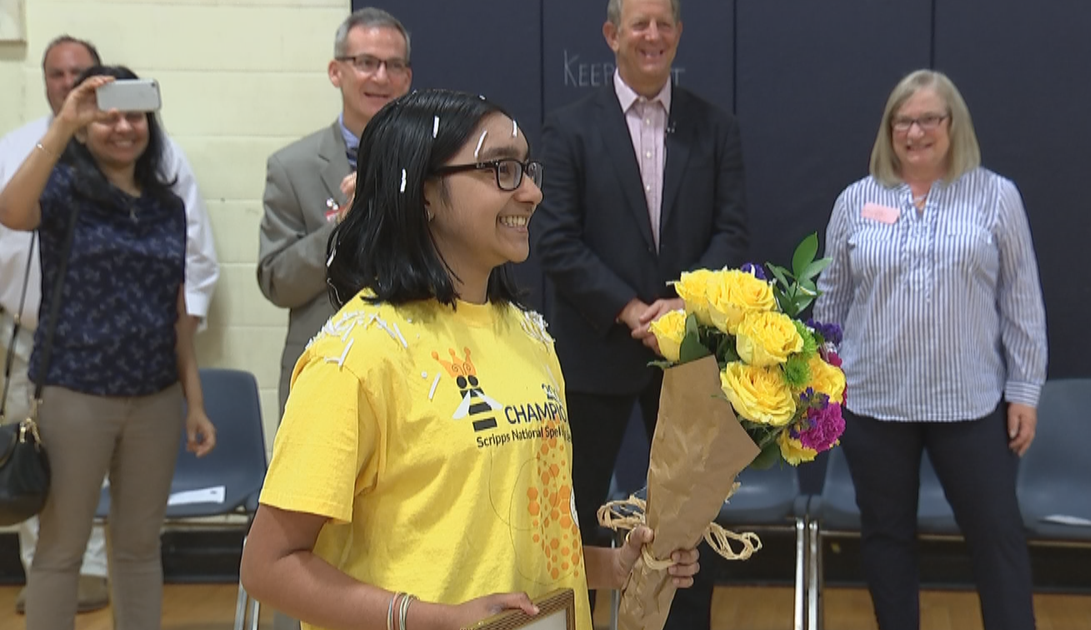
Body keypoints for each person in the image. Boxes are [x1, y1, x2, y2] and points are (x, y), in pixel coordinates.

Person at [240, 89, 700, 630]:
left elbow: (521, 534)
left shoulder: (529, 336)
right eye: (501, 169)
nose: (531, 192)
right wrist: (434, 619)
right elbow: (268, 565)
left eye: (527, 169)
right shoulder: (357, 355)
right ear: (424, 191)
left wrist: (613, 565)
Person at [535, 0, 749, 626]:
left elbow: (733, 233)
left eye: (663, 24)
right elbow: (555, 240)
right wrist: (630, 310)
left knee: (691, 522)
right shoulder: (568, 128)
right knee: (572, 514)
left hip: (689, 357)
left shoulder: (717, 128)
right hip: (594, 351)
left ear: (678, 34)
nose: (651, 35)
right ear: (612, 35)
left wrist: (684, 307)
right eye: (638, 23)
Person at [813, 69, 1047, 630]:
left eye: (928, 120)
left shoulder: (996, 197)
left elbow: (1021, 300)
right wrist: (821, 382)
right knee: (886, 538)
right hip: (875, 404)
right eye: (903, 121)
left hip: (969, 402)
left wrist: (1024, 390)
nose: (915, 132)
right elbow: (830, 302)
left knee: (997, 536)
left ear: (953, 124)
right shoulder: (855, 201)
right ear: (888, 129)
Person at [0, 34, 219, 615]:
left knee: (140, 548)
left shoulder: (167, 205)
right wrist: (65, 123)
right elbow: (11, 210)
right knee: (61, 548)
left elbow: (176, 311)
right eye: (107, 117)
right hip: (75, 393)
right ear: (85, 126)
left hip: (155, 398)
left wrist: (194, 402)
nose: (123, 128)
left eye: (134, 116)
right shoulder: (64, 190)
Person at [257, 6, 412, 415]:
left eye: (394, 65)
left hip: (417, 369)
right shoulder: (291, 167)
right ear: (335, 71)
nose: (381, 76)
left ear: (407, 78)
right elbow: (277, 282)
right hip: (326, 368)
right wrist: (346, 223)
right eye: (366, 62)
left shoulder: (436, 166)